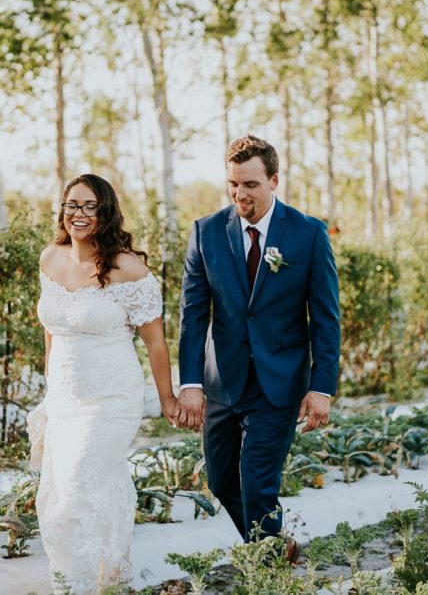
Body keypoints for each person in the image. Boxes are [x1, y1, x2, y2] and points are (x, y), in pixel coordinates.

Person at [176, 135, 341, 561]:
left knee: (257, 480)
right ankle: (276, 546)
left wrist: (322, 387)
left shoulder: (307, 234)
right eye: (233, 184)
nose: (239, 194)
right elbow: (193, 316)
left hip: (278, 383)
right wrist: (190, 382)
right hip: (222, 384)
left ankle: (267, 572)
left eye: (250, 184)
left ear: (274, 180)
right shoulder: (206, 233)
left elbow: (325, 318)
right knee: (221, 482)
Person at [32, 174, 180, 593]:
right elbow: (51, 330)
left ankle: (95, 580)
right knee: (59, 493)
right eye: (72, 205)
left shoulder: (128, 268)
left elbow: (155, 342)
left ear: (106, 211)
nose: (78, 214)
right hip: (64, 398)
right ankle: (83, 580)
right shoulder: (50, 258)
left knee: (82, 478)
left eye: (89, 206)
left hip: (111, 397)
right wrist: (50, 388)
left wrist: (167, 398)